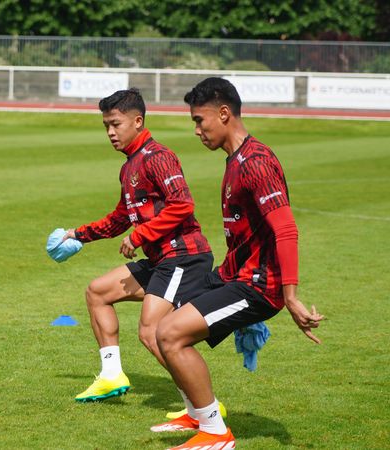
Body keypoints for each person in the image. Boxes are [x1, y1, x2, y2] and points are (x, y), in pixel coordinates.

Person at [154, 77, 324, 450]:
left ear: (225, 114)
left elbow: (286, 230)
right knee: (158, 327)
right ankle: (198, 414)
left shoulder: (257, 163)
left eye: (200, 120)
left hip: (260, 286)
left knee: (170, 334)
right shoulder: (236, 160)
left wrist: (290, 296)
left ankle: (216, 434)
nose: (197, 130)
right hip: (235, 275)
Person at [62, 88, 215, 406]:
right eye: (106, 125)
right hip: (163, 259)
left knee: (151, 331)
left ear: (137, 121)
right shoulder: (129, 166)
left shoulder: (158, 156)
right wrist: (77, 234)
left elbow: (182, 204)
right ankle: (111, 375)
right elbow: (121, 218)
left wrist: (140, 235)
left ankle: (200, 405)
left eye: (115, 124)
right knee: (97, 292)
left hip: (184, 256)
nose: (110, 132)